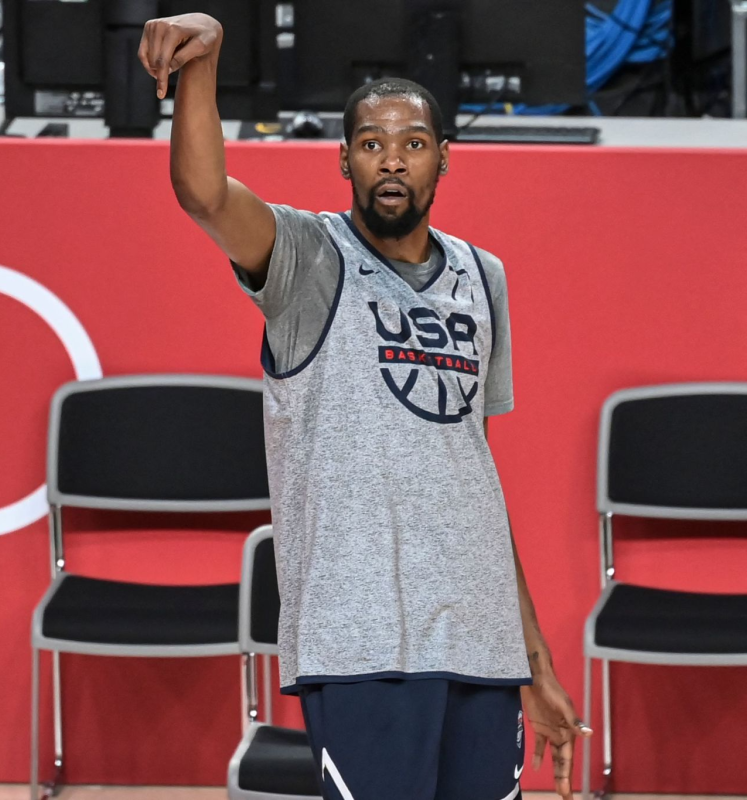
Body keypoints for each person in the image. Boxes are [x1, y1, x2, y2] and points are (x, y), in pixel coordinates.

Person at [141, 15, 592, 800]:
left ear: (444, 159)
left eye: (413, 143)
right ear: (344, 159)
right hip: (361, 641)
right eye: (372, 143)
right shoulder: (306, 258)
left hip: (481, 644)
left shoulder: (484, 278)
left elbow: (472, 475)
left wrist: (535, 661)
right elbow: (203, 192)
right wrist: (204, 59)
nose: (392, 159)